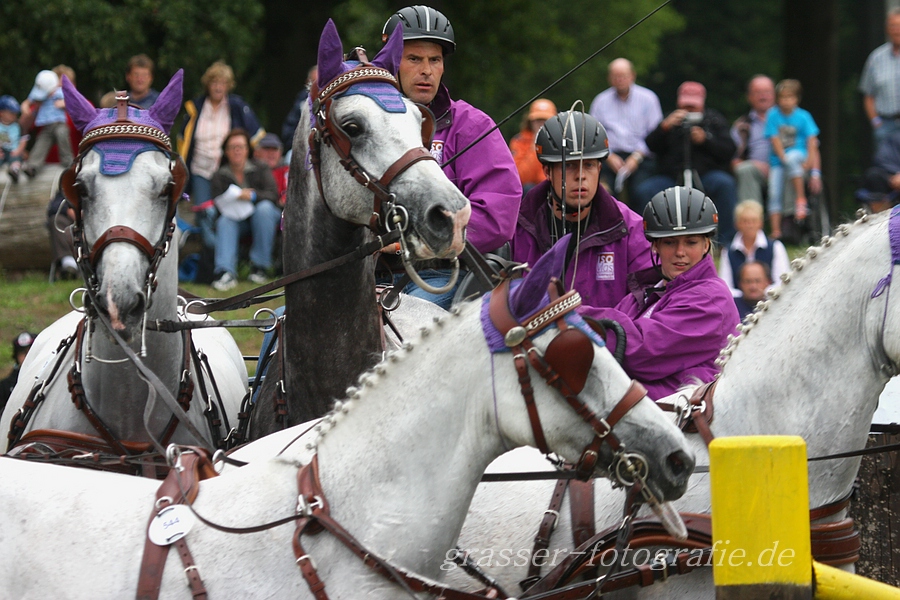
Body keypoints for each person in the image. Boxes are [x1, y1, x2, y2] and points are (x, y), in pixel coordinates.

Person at [381, 5, 522, 308]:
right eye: (414, 59)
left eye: (435, 60)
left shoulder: (473, 126)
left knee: (399, 328)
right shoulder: (367, 125)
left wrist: (414, 244)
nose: (426, 70)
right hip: (364, 275)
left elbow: (497, 217)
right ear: (393, 62)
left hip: (442, 276)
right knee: (284, 325)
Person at [585, 186, 740, 400]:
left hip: (687, 426)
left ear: (706, 245)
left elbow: (641, 352)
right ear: (655, 246)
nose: (680, 252)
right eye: (669, 242)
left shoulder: (711, 298)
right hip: (643, 416)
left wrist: (573, 315)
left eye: (691, 242)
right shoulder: (646, 295)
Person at [511, 110, 652, 309]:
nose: (580, 176)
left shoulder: (630, 229)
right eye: (569, 166)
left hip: (605, 339)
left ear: (600, 169)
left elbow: (649, 303)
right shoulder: (517, 227)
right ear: (547, 171)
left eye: (589, 165)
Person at [636, 81, 738, 246]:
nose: (689, 111)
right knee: (645, 191)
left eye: (693, 107)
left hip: (707, 176)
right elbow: (650, 145)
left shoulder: (714, 120)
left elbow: (729, 149)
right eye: (686, 106)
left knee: (725, 185)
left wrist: (706, 140)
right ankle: (645, 243)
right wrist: (664, 128)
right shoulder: (670, 121)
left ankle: (726, 244)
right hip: (671, 178)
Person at [177, 61, 265, 251]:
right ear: (207, 85)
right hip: (201, 169)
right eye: (214, 82)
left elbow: (256, 136)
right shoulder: (195, 108)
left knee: (227, 213)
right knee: (204, 214)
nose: (218, 87)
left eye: (223, 82)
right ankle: (212, 253)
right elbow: (183, 140)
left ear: (228, 85)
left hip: (226, 171)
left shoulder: (237, 107)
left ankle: (228, 255)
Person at [209, 129, 281, 291]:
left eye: (241, 146)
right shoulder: (220, 175)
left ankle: (259, 267)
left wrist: (253, 196)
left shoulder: (261, 167)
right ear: (226, 151)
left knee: (264, 209)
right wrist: (234, 199)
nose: (237, 150)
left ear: (248, 149)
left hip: (264, 216)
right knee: (225, 221)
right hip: (237, 219)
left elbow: (273, 195)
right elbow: (217, 204)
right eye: (232, 147)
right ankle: (225, 272)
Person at [589, 57, 663, 204]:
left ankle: (641, 225)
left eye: (623, 76)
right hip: (608, 157)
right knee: (603, 193)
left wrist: (636, 157)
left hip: (641, 157)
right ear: (609, 78)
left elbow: (656, 135)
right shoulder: (600, 101)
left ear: (632, 76)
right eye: (616, 76)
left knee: (643, 191)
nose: (620, 80)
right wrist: (609, 156)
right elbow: (592, 135)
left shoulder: (649, 99)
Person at [765, 79, 821, 239]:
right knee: (774, 193)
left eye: (790, 97)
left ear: (797, 99)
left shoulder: (804, 116)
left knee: (792, 157)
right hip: (778, 161)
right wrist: (783, 157)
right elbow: (774, 139)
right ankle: (776, 231)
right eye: (782, 97)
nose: (786, 101)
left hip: (799, 156)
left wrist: (810, 162)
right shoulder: (773, 115)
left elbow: (812, 141)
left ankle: (801, 199)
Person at [718, 200, 789, 298]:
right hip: (739, 304)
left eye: (754, 221)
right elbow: (725, 286)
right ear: (737, 224)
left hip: (770, 301)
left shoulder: (775, 247)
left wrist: (761, 293)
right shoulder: (728, 251)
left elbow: (782, 281)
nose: (749, 225)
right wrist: (745, 295)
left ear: (760, 223)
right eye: (745, 221)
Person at [19, 69, 73, 178]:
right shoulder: (38, 92)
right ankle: (33, 166)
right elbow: (28, 101)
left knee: (62, 135)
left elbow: (72, 101)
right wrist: (25, 108)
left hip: (59, 123)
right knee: (41, 143)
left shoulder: (59, 92)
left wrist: (63, 103)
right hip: (46, 126)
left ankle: (69, 163)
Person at [731, 75, 776, 203]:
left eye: (767, 92)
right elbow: (734, 162)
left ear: (774, 95)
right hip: (755, 174)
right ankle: (751, 218)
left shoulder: (790, 120)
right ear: (749, 97)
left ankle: (791, 221)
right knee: (744, 170)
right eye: (758, 92)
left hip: (785, 170)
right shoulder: (741, 126)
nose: (763, 96)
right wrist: (756, 165)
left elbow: (809, 147)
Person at [860, 8, 900, 146]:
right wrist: (876, 122)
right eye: (893, 26)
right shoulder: (876, 58)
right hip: (885, 125)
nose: (896, 30)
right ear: (887, 29)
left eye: (899, 26)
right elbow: (868, 95)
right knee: (886, 166)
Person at [509, 98, 556, 193]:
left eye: (546, 120)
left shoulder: (562, 141)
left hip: (554, 189)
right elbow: (520, 178)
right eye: (538, 120)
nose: (542, 125)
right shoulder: (519, 141)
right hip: (532, 192)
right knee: (528, 188)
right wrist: (535, 146)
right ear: (531, 121)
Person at [856, 127, 900, 212]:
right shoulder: (893, 139)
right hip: (893, 177)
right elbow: (882, 160)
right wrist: (895, 174)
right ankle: (881, 220)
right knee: (874, 175)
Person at [280, 65, 318, 150]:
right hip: (302, 148)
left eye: (321, 83)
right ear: (307, 82)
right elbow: (288, 131)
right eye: (314, 82)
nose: (317, 87)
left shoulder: (336, 100)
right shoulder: (301, 101)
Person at [0, 332, 36, 413]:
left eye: (31, 352)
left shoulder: (48, 379)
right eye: (23, 352)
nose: (27, 357)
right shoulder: (4, 386)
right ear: (16, 356)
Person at [46, 187, 78, 280]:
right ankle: (69, 264)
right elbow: (53, 207)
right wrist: (69, 211)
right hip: (74, 225)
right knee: (56, 221)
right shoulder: (70, 184)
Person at [253, 132, 289, 207]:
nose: (271, 153)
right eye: (266, 148)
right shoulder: (251, 171)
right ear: (256, 152)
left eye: (275, 149)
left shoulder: (288, 171)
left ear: (280, 153)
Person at [0, 95, 27, 182]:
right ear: (2, 113)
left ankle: (14, 171)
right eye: (11, 113)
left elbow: (23, 139)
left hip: (14, 151)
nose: (14, 116)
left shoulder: (18, 125)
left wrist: (19, 150)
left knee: (16, 159)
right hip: (2, 150)